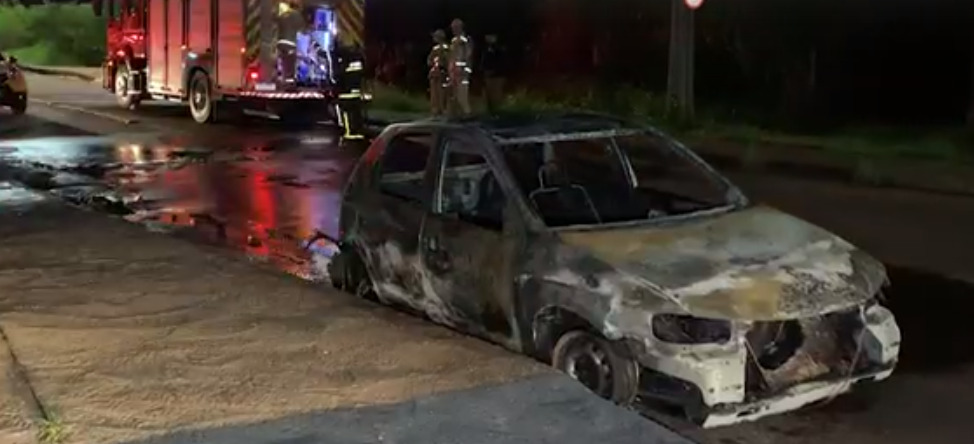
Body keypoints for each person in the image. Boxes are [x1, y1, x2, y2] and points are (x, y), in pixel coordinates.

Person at [334, 40, 367, 140]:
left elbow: (338, 76)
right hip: (356, 92)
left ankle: (348, 132)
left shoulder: (344, 61)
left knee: (345, 113)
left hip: (345, 93)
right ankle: (358, 131)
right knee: (356, 112)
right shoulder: (358, 60)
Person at [447, 18, 473, 117]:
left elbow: (469, 56)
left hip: (462, 72)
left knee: (462, 95)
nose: (454, 29)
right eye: (453, 27)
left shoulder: (465, 40)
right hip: (454, 72)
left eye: (456, 27)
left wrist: (466, 70)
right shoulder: (454, 40)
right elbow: (452, 56)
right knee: (454, 95)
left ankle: (467, 114)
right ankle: (457, 114)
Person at [480, 34, 508, 114]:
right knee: (488, 94)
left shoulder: (499, 50)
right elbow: (483, 61)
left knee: (496, 94)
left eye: (490, 37)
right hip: (488, 76)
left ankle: (498, 111)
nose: (488, 38)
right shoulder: (485, 49)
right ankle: (491, 111)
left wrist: (493, 70)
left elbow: (502, 62)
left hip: (497, 75)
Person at [427, 30, 450, 116]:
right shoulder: (435, 48)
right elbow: (429, 60)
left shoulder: (445, 48)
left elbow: (447, 60)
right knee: (434, 92)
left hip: (442, 72)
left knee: (442, 92)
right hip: (434, 73)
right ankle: (435, 109)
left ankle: (442, 109)